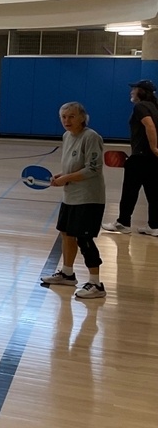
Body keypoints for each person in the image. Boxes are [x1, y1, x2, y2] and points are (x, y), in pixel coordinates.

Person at [41, 102, 107, 300]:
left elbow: (93, 168)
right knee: (66, 234)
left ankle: (96, 284)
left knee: (84, 239)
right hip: (70, 196)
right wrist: (62, 175)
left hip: (89, 198)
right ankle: (67, 274)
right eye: (63, 117)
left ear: (82, 117)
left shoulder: (91, 137)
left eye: (71, 116)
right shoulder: (67, 136)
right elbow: (73, 165)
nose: (66, 121)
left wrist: (66, 178)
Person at [102, 78, 158, 236]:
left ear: (141, 91)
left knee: (129, 192)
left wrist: (153, 147)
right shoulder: (155, 106)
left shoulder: (141, 106)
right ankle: (154, 226)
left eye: (134, 88)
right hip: (153, 160)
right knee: (154, 194)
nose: (131, 91)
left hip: (140, 157)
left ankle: (123, 223)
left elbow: (149, 125)